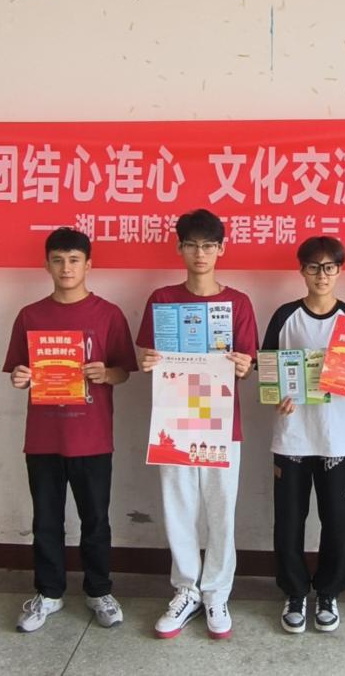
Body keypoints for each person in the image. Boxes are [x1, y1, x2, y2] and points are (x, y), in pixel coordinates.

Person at [3, 228, 138, 632]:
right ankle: (49, 592)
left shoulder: (108, 313)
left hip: (92, 437)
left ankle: (99, 590)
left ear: (88, 265)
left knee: (96, 520)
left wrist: (106, 374)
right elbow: (18, 370)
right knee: (46, 519)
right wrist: (20, 377)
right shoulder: (30, 315)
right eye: (58, 260)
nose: (66, 268)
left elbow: (124, 371)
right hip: (43, 438)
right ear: (46, 265)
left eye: (74, 260)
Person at [135, 208, 258, 640]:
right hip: (173, 422)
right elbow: (144, 354)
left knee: (221, 511)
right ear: (179, 248)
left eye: (208, 245)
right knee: (179, 508)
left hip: (222, 423)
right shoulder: (162, 299)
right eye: (191, 245)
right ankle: (186, 589)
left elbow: (249, 364)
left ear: (221, 249)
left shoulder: (238, 303)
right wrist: (148, 360)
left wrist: (244, 366)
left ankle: (217, 592)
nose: (200, 253)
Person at [262, 236, 345, 634]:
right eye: (313, 267)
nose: (321, 274)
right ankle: (295, 592)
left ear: (339, 271)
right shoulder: (284, 316)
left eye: (329, 267)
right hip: (292, 436)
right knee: (289, 521)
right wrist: (277, 396)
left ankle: (329, 592)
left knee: (336, 520)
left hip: (338, 437)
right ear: (302, 271)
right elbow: (268, 371)